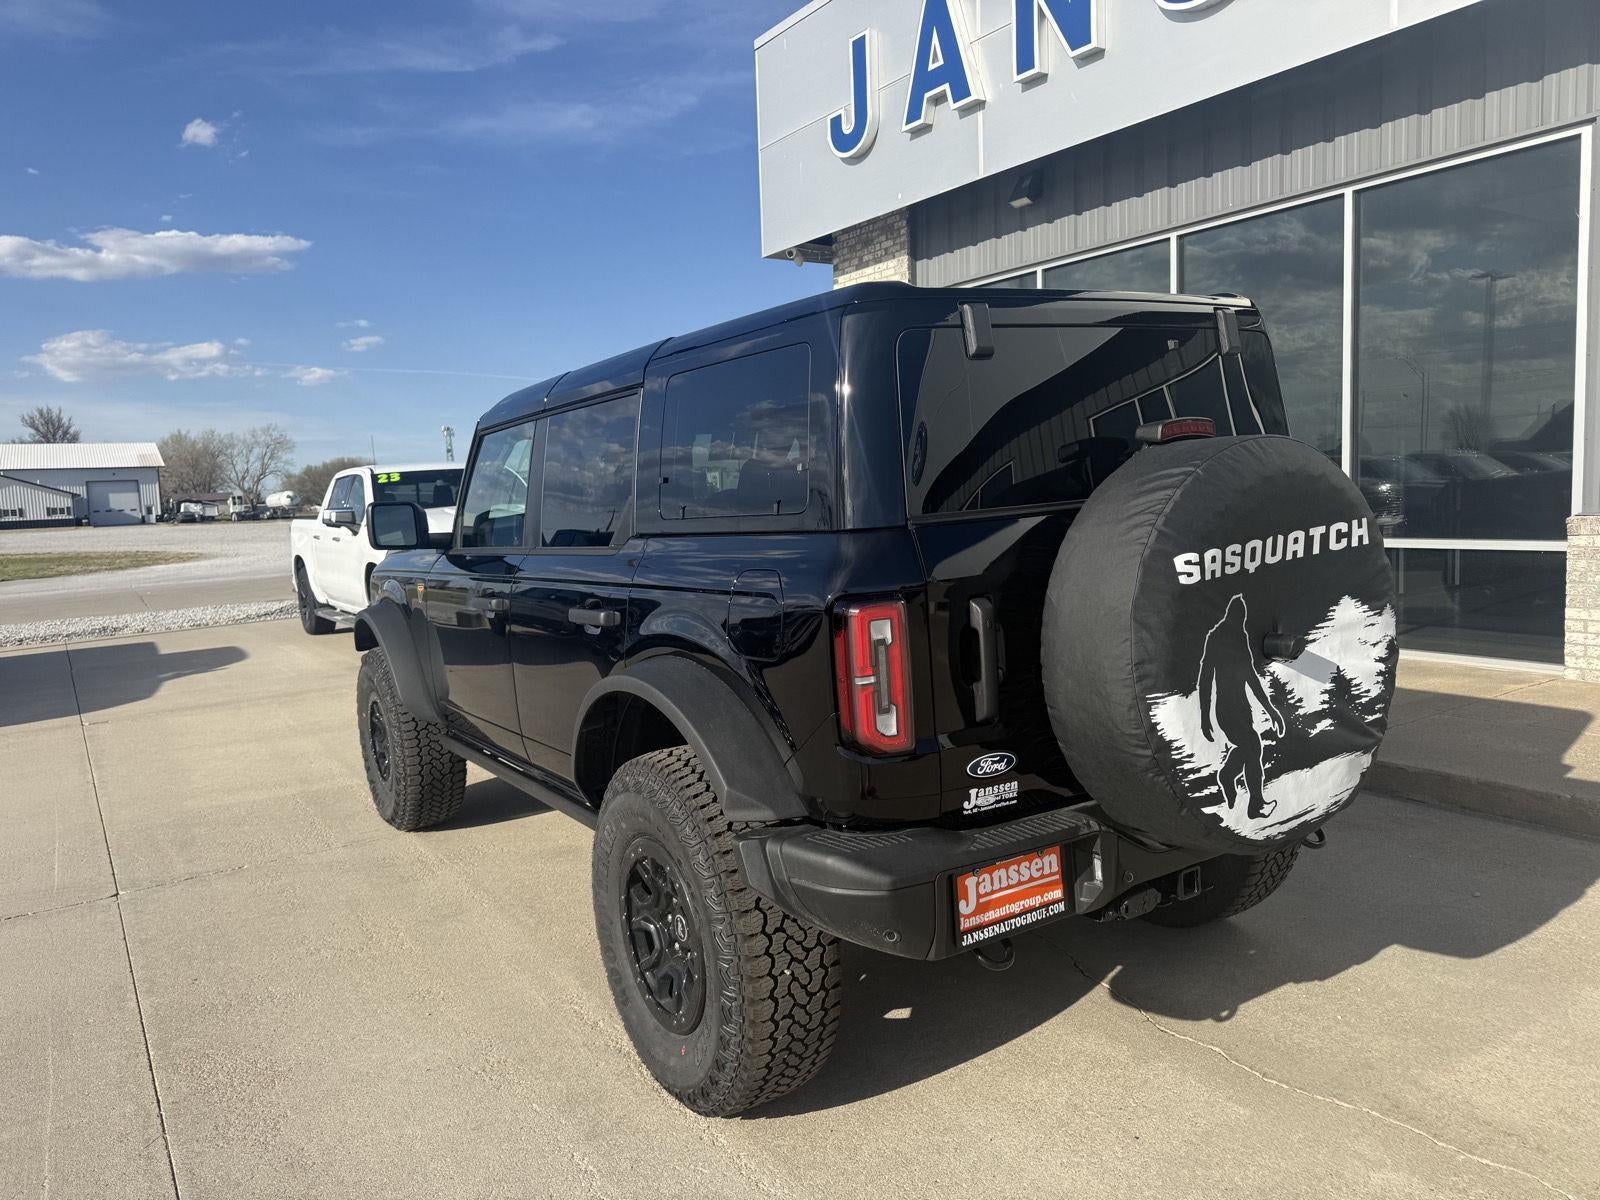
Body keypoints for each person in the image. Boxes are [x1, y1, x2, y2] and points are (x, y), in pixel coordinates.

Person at [1198, 594, 1286, 820]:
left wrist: (1271, 711)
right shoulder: (1216, 639)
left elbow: (1251, 679)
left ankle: (1228, 776)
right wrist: (1204, 717)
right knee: (1253, 747)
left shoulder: (1241, 637)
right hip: (1226, 710)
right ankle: (1255, 804)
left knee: (1249, 749)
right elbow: (1206, 679)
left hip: (1242, 709)